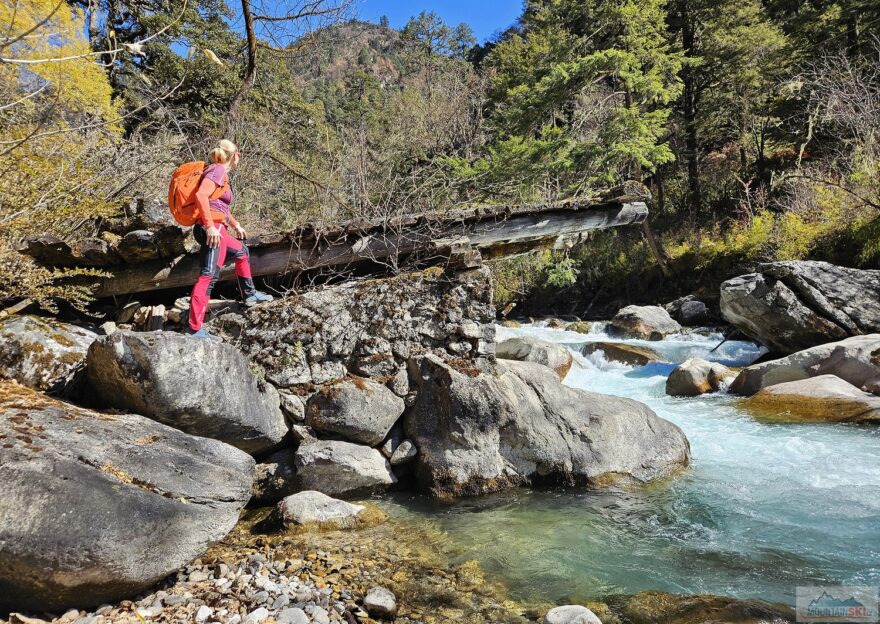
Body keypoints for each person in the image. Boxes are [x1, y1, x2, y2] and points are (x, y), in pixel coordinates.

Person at [187, 139, 273, 338]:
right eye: (239, 153)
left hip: (220, 228)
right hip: (213, 229)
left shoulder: (220, 174)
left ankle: (250, 295)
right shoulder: (217, 171)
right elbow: (201, 196)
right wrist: (209, 227)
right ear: (234, 155)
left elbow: (220, 205)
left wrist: (235, 225)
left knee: (242, 251)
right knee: (208, 275)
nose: (240, 157)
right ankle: (194, 328)